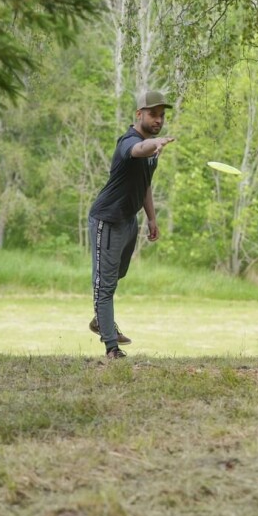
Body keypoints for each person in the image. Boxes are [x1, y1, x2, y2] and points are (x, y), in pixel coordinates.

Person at [88, 90, 176, 359]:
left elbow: (145, 183)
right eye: (153, 114)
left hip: (129, 220)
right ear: (139, 114)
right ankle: (111, 347)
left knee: (116, 276)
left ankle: (99, 321)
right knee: (105, 284)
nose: (158, 119)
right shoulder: (129, 141)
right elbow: (137, 150)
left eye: (161, 115)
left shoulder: (152, 149)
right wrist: (156, 142)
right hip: (107, 218)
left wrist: (151, 218)